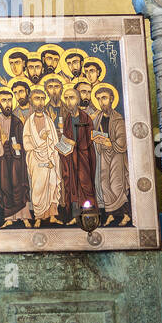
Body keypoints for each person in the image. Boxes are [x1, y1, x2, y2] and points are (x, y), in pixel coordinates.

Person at [22, 87, 64, 226]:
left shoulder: (49, 121)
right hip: (36, 159)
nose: (40, 102)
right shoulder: (29, 122)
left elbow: (54, 141)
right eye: (36, 98)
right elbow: (26, 142)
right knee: (38, 188)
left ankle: (52, 215)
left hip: (50, 158)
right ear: (31, 102)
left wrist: (52, 157)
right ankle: (39, 216)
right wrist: (40, 140)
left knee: (52, 186)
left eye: (42, 99)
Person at [0, 88, 32, 227]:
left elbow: (24, 142)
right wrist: (1, 143)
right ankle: (9, 219)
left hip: (17, 161)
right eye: (4, 101)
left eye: (9, 100)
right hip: (4, 162)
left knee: (19, 186)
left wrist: (19, 147)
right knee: (6, 187)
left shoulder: (17, 122)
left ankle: (24, 217)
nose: (7, 104)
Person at [90, 84, 130, 226]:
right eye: (99, 99)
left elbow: (122, 140)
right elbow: (94, 135)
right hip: (103, 155)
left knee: (116, 185)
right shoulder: (97, 119)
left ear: (111, 99)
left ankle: (126, 215)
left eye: (104, 98)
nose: (102, 102)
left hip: (117, 156)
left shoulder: (118, 119)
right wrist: (98, 141)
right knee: (104, 184)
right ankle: (111, 214)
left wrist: (110, 143)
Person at [57, 86, 97, 224]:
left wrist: (73, 143)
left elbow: (89, 140)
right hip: (70, 160)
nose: (69, 102)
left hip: (84, 160)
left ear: (78, 99)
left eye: (72, 98)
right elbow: (66, 139)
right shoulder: (67, 119)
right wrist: (62, 145)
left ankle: (89, 217)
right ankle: (75, 217)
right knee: (72, 186)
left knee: (85, 185)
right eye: (66, 98)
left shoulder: (85, 118)